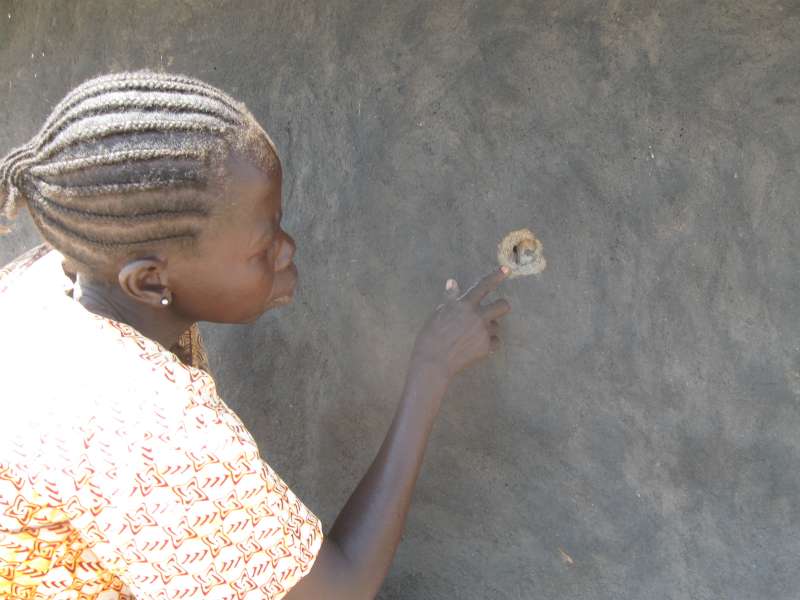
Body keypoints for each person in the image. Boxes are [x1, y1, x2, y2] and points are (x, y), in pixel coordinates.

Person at [0, 71, 511, 600]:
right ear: (150, 281)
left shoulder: (54, 272)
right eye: (262, 247)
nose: (288, 249)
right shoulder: (146, 431)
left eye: (279, 223)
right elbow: (339, 590)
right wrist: (431, 370)